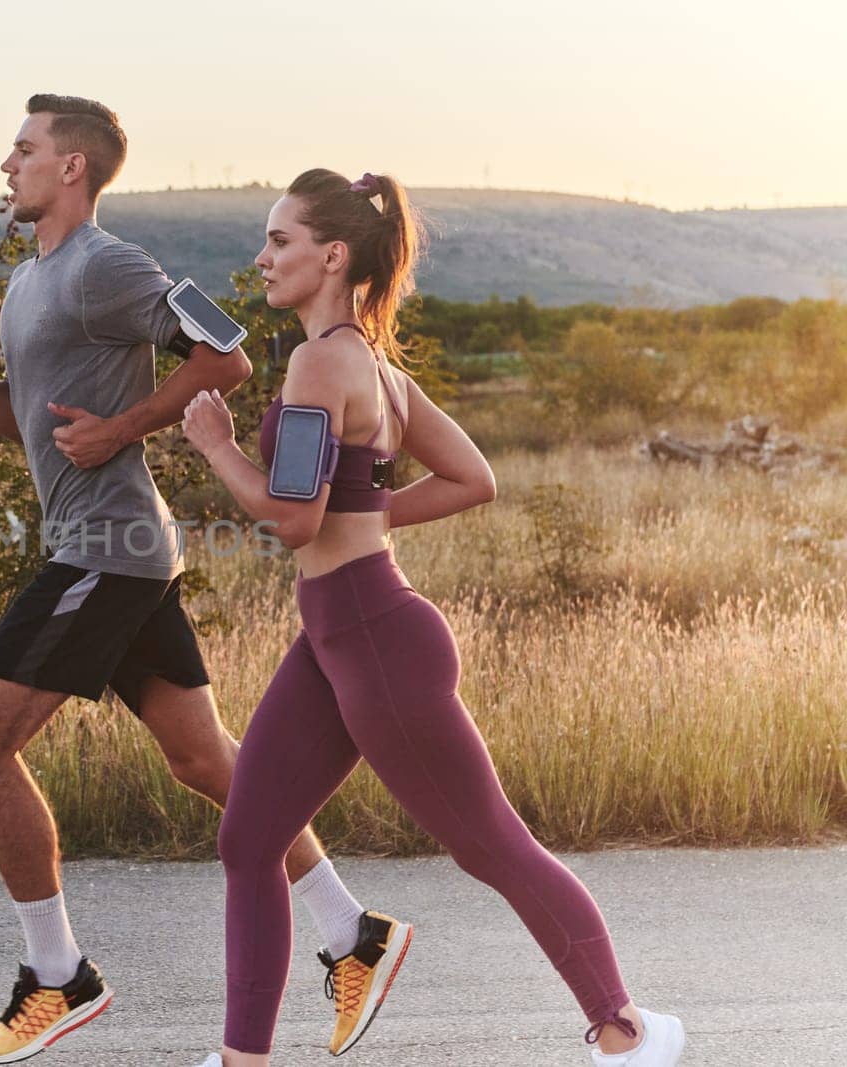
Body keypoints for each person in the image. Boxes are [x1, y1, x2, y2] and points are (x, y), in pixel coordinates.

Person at [0, 99, 411, 1064]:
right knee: (205, 761)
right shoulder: (28, 285)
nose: (6, 162)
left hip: (105, 550)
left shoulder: (112, 265)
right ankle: (354, 933)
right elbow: (33, 429)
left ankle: (58, 973)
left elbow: (224, 348)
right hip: (116, 548)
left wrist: (124, 426)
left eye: (24, 148)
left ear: (73, 170)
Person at [179, 168, 686, 1066]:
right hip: (338, 637)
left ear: (332, 256)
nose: (260, 258)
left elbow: (292, 518)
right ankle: (241, 1060)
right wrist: (365, 516)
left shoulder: (320, 361)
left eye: (280, 240)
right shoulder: (376, 369)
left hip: (373, 638)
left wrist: (218, 446)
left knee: (491, 843)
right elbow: (471, 478)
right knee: (250, 839)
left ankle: (626, 1031)